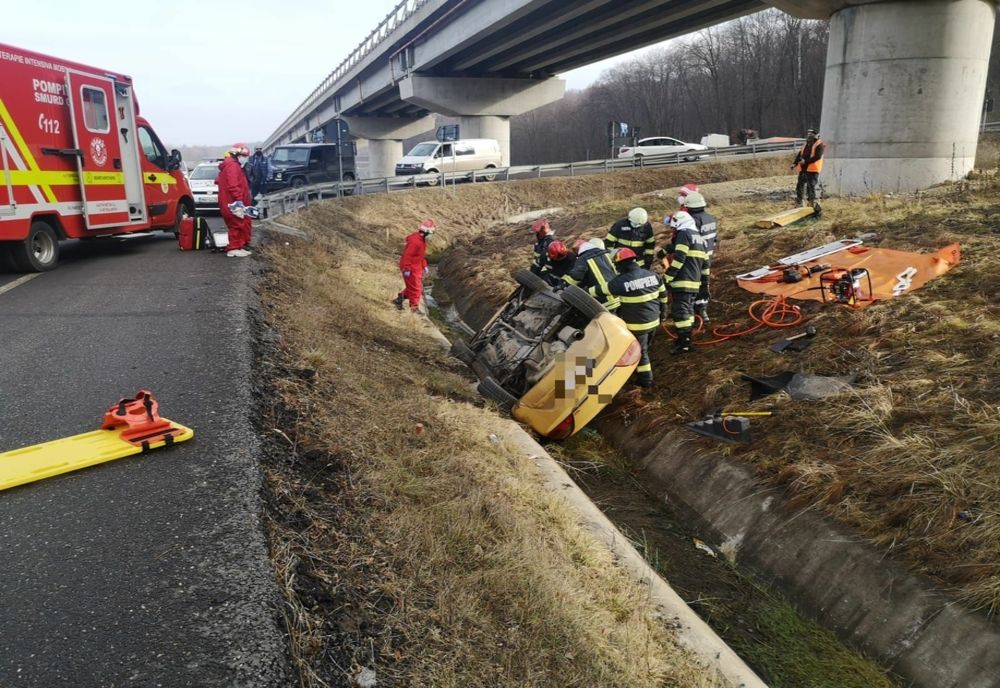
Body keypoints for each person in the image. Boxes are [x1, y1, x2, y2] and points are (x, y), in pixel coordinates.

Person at [589, 248, 668, 387]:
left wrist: (581, 290)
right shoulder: (652, 275)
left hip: (638, 326)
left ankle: (646, 381)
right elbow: (663, 296)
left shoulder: (620, 282)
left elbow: (598, 290)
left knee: (641, 353)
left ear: (620, 264)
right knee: (645, 347)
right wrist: (664, 313)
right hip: (654, 321)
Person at [663, 211, 708, 354]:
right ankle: (685, 339)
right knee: (687, 311)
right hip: (694, 282)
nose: (672, 230)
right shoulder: (700, 238)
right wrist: (704, 284)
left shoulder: (684, 234)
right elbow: (705, 265)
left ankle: (685, 344)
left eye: (673, 227)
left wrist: (668, 276)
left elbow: (680, 258)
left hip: (682, 280)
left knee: (680, 311)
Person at [681, 191, 718, 322]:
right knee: (704, 283)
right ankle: (703, 309)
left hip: (695, 258)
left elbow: (691, 240)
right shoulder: (710, 218)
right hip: (708, 256)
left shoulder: (693, 221)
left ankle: (693, 311)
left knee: (693, 284)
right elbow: (714, 240)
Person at [563, 238, 620, 311]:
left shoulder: (582, 259)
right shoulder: (608, 254)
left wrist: (563, 283)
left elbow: (575, 277)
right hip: (621, 297)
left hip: (604, 304)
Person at [217, 143, 253, 257]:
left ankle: (238, 246)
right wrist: (239, 199)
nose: (244, 158)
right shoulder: (232, 166)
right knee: (236, 223)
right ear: (237, 154)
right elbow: (233, 185)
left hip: (232, 200)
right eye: (243, 156)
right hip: (233, 200)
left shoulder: (233, 165)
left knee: (239, 223)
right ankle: (233, 248)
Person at [393, 219, 435, 312]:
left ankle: (399, 300)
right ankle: (414, 309)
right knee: (416, 289)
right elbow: (407, 255)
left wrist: (424, 265)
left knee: (412, 287)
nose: (432, 236)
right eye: (432, 233)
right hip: (411, 268)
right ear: (427, 232)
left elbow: (420, 256)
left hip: (416, 267)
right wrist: (407, 268)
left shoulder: (421, 241)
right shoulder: (415, 242)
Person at [792, 128, 826, 206]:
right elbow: (800, 154)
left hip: (812, 169)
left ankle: (811, 203)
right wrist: (795, 163)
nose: (809, 135)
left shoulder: (819, 144)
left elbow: (817, 156)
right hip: (803, 168)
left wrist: (805, 161)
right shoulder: (806, 144)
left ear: (815, 135)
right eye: (808, 134)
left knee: (810, 186)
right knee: (799, 186)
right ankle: (799, 202)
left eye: (811, 134)